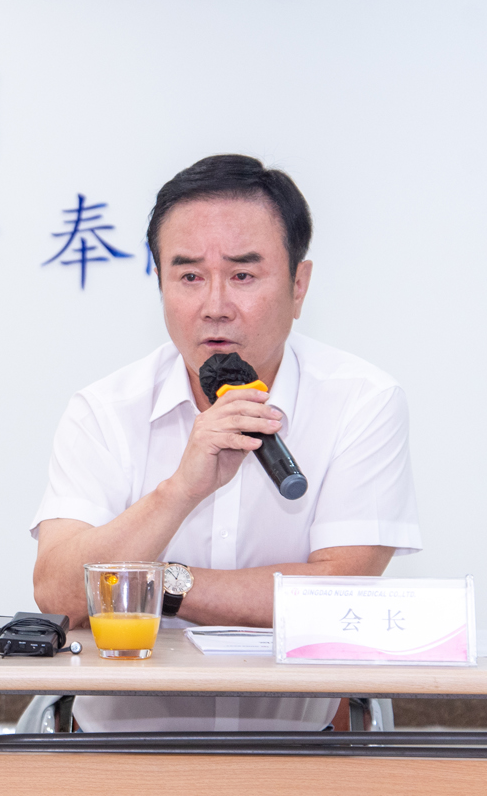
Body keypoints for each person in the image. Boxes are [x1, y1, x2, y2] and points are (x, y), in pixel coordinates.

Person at [30, 155, 420, 731]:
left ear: (299, 285)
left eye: (243, 275)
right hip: (117, 757)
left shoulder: (361, 401)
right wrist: (179, 491)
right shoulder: (104, 409)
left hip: (297, 755)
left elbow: (342, 594)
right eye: (189, 277)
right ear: (160, 283)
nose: (215, 306)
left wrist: (162, 584)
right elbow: (58, 590)